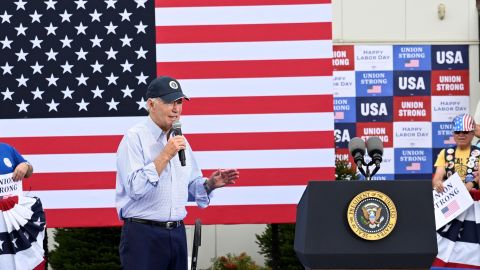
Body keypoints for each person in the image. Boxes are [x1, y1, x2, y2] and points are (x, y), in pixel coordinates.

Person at [116, 76, 240, 270]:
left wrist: (209, 184)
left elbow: (189, 186)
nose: (176, 109)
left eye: (179, 102)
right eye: (169, 102)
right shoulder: (134, 138)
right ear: (151, 104)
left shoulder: (181, 140)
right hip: (143, 235)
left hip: (176, 233)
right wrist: (165, 154)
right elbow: (134, 188)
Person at [432, 113, 480, 193]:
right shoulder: (444, 153)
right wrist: (437, 183)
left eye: (465, 132)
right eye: (457, 132)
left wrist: (471, 183)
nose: (461, 135)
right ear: (453, 134)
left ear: (472, 134)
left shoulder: (478, 153)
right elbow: (437, 177)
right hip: (453, 200)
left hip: (476, 200)